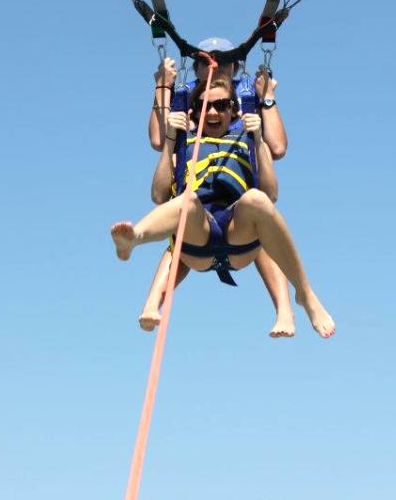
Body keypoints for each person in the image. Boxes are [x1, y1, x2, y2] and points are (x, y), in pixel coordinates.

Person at [115, 77, 335, 338]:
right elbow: (158, 195)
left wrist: (258, 139)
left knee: (257, 200)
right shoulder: (185, 145)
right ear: (195, 111)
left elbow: (272, 194)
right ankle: (134, 238)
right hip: (197, 239)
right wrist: (171, 141)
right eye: (204, 105)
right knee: (187, 200)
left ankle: (305, 295)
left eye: (221, 105)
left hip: (238, 235)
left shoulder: (247, 141)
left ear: (234, 110)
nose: (212, 112)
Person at [143, 38, 294, 337]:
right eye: (207, 62)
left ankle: (285, 310)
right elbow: (159, 141)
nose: (216, 67)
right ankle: (151, 303)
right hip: (199, 223)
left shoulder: (245, 104)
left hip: (240, 225)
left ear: (235, 67)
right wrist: (162, 88)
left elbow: (277, 147)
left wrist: (267, 99)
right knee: (181, 225)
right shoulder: (187, 110)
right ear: (197, 67)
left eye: (224, 61)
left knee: (262, 219)